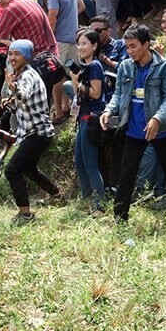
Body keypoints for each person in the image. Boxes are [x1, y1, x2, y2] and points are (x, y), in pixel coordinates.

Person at [99, 25, 166, 222]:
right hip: (134, 130)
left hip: (159, 129)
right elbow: (119, 94)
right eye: (127, 47)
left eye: (133, 46)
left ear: (147, 44)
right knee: (126, 174)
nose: (130, 51)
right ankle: (120, 217)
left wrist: (157, 118)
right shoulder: (125, 66)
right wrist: (108, 111)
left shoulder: (165, 66)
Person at [3, 39, 62, 225]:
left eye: (17, 54)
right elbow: (22, 103)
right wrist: (10, 102)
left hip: (37, 133)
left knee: (12, 170)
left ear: (26, 57)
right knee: (29, 169)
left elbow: (24, 94)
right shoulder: (20, 75)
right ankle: (56, 195)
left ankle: (25, 214)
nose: (12, 58)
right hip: (34, 132)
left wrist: (13, 89)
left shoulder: (27, 76)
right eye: (10, 54)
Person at [38, 0, 83, 124]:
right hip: (73, 38)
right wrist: (70, 19)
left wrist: (48, 40)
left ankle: (58, 112)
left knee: (57, 77)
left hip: (60, 42)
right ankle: (68, 107)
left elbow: (52, 19)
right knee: (71, 74)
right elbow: (81, 6)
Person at [70, 29, 106, 216]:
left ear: (94, 46)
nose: (81, 47)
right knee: (79, 161)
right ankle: (87, 199)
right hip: (83, 118)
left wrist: (76, 81)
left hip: (91, 119)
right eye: (79, 43)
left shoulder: (95, 66)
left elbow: (96, 93)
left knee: (90, 163)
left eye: (85, 43)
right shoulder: (85, 66)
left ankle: (100, 205)